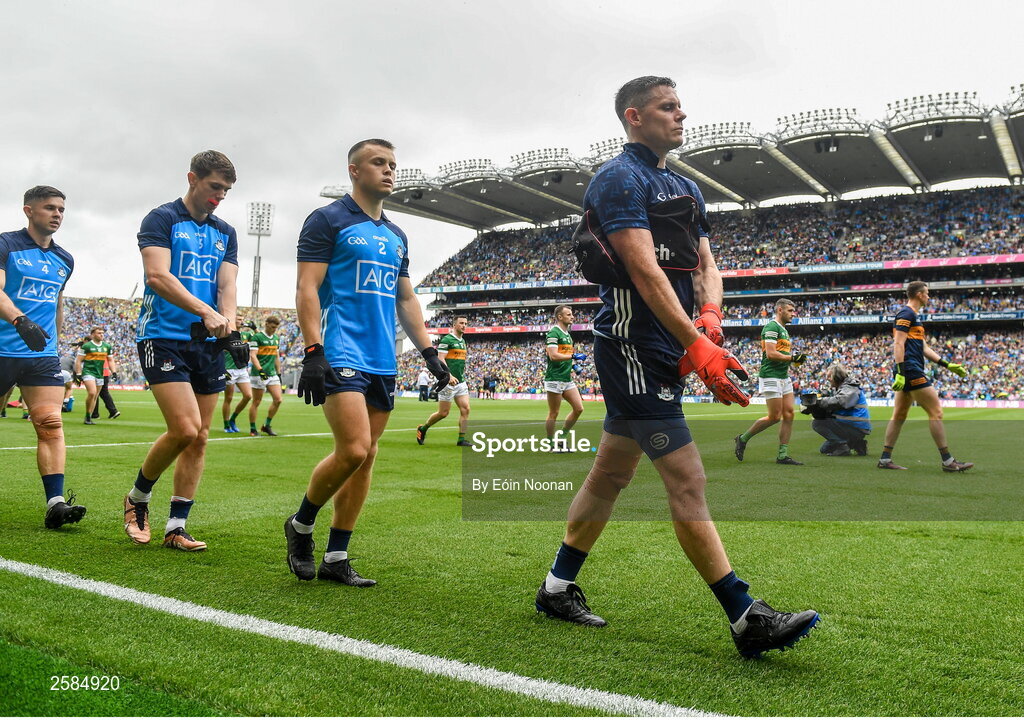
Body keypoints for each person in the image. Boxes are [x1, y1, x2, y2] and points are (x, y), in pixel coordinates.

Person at [533, 77, 818, 659]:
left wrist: (710, 322)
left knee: (610, 475)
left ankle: (556, 588)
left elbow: (705, 264)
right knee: (687, 479)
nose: (682, 114)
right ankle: (745, 617)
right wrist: (696, 343)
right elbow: (644, 271)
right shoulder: (618, 179)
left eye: (681, 105)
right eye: (669, 107)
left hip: (667, 347)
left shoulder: (686, 187)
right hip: (632, 346)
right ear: (634, 117)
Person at [285, 138, 449, 585]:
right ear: (354, 170)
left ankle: (337, 557)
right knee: (354, 448)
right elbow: (306, 288)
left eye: (393, 164)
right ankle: (300, 526)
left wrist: (429, 351)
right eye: (379, 163)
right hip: (339, 350)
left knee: (366, 456)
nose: (389, 170)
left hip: (382, 359)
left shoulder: (396, 235)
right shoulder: (328, 220)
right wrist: (313, 350)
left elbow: (406, 297)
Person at [124, 150, 250, 552]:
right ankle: (138, 498)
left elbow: (226, 285)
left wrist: (227, 324)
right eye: (215, 187)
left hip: (207, 342)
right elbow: (157, 276)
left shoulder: (225, 232)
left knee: (200, 438)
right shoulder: (162, 219)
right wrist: (206, 311)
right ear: (192, 178)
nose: (220, 196)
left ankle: (176, 527)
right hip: (162, 336)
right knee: (184, 429)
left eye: (227, 190)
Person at [0, 185, 86, 528]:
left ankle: (56, 503)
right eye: (50, 207)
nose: (57, 214)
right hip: (3, 348)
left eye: (61, 209)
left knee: (50, 423)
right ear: (29, 211)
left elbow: (57, 303)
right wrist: (20, 321)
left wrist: (55, 340)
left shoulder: (65, 258)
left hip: (42, 355)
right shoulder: (6, 244)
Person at [878, 281, 973, 472]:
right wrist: (901, 371)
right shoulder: (906, 314)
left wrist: (947, 365)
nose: (929, 297)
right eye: (927, 294)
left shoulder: (913, 317)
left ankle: (885, 459)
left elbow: (923, 347)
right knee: (936, 413)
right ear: (920, 295)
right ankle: (948, 461)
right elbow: (898, 344)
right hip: (911, 370)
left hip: (908, 370)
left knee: (899, 414)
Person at [734, 298, 805, 465]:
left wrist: (795, 362)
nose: (793, 314)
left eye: (793, 311)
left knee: (789, 414)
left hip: (783, 376)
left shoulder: (784, 330)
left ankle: (782, 455)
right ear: (779, 310)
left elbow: (782, 356)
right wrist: (792, 358)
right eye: (789, 311)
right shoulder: (771, 327)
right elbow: (771, 354)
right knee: (774, 417)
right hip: (771, 375)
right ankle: (743, 439)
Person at [416, 316, 471, 447]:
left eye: (465, 323)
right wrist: (449, 376)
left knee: (466, 409)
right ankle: (423, 429)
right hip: (448, 381)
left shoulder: (463, 341)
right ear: (455, 325)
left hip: (460, 382)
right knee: (443, 413)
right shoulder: (447, 340)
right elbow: (440, 360)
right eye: (461, 323)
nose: (464, 325)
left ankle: (461, 440)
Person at [800, 363, 871, 456]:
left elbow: (841, 401)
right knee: (825, 449)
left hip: (856, 427)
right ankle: (857, 443)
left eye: (829, 376)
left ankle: (843, 446)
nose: (827, 379)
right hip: (855, 427)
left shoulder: (850, 387)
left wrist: (818, 402)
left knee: (817, 423)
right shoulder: (846, 387)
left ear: (837, 376)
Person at [544, 305, 586, 449]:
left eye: (571, 314)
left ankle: (561, 436)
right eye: (568, 314)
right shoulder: (554, 333)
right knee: (554, 413)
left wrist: (573, 365)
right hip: (555, 378)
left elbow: (564, 355)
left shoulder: (567, 335)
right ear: (560, 317)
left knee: (579, 408)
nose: (572, 316)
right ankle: (550, 443)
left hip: (567, 378)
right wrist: (573, 356)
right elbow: (553, 356)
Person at [74, 326, 119, 424]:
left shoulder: (107, 346)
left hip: (100, 374)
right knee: (92, 393)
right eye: (99, 333)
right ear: (93, 334)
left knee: (95, 396)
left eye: (102, 333)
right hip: (88, 372)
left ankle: (88, 417)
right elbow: (78, 360)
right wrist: (78, 373)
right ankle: (87, 415)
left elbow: (110, 360)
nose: (101, 335)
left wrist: (114, 372)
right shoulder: (86, 346)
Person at [247, 315, 283, 436]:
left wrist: (279, 373)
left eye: (275, 328)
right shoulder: (257, 337)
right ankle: (252, 428)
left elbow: (276, 357)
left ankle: (266, 425)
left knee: (278, 400)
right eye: (272, 327)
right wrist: (260, 370)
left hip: (272, 374)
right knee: (256, 401)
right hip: (259, 374)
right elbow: (253, 355)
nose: (274, 330)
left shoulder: (276, 338)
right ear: (266, 324)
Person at [222, 319, 255, 433]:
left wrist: (254, 328)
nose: (240, 321)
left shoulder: (246, 334)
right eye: (238, 319)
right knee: (229, 398)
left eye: (242, 319)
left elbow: (260, 338)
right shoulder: (227, 334)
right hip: (229, 369)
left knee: (248, 396)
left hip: (242, 369)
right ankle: (226, 425)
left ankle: (233, 419)